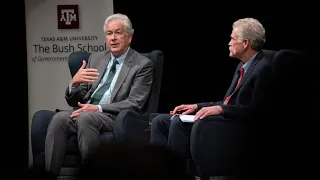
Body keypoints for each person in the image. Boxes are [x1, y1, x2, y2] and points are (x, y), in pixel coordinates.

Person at [150, 17, 272, 166]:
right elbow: (227, 102)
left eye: (233, 39)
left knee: (177, 123)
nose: (229, 43)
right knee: (160, 121)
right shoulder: (243, 66)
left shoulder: (263, 69)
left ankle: (180, 172)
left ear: (245, 43)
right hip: (223, 120)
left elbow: (256, 112)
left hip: (233, 128)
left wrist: (220, 109)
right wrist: (197, 106)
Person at [43, 13, 154, 176]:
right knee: (59, 119)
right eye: (109, 34)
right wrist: (74, 84)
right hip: (87, 111)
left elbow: (135, 103)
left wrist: (98, 108)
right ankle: (48, 176)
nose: (113, 38)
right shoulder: (95, 59)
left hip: (115, 117)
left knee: (86, 118)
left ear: (129, 37)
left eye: (118, 32)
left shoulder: (142, 64)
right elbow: (78, 98)